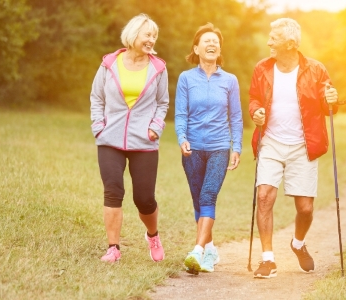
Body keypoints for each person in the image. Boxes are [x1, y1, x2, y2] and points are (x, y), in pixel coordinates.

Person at [248, 18, 339, 279]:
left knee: (305, 209)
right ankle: (267, 259)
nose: (268, 42)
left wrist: (332, 100)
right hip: (271, 142)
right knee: (264, 195)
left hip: (304, 146)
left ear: (290, 43)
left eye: (273, 38)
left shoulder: (316, 70)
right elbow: (254, 98)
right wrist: (256, 112)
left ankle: (298, 243)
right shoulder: (262, 68)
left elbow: (327, 106)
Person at [90, 14, 169, 263]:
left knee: (144, 199)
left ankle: (153, 235)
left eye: (154, 36)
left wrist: (155, 127)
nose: (151, 39)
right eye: (147, 34)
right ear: (134, 34)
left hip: (144, 141)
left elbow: (162, 102)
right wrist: (99, 126)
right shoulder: (109, 63)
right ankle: (113, 247)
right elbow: (96, 97)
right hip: (110, 138)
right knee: (113, 191)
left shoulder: (158, 68)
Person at [175, 23, 243, 275]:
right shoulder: (186, 78)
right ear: (196, 48)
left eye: (215, 41)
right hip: (192, 148)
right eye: (206, 41)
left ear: (219, 49)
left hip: (218, 147)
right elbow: (180, 113)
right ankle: (210, 249)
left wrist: (237, 147)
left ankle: (197, 251)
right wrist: (181, 137)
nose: (212, 44)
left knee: (208, 196)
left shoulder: (230, 80)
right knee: (198, 200)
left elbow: (235, 117)